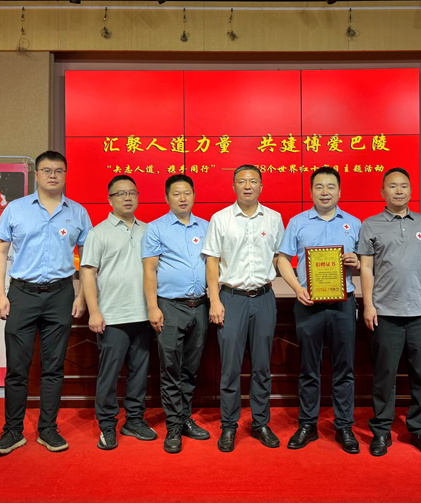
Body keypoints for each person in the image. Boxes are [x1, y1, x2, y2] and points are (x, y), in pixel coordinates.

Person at [0, 151, 92, 455]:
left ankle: (48, 429)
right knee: (17, 368)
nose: (53, 175)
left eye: (58, 170)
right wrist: (0, 294)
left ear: (65, 175)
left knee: (54, 367)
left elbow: (87, 259)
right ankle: (13, 431)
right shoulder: (15, 209)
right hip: (22, 294)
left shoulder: (78, 212)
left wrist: (82, 295)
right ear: (36, 174)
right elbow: (0, 252)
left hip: (61, 294)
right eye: (46, 170)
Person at [277, 166, 362, 454]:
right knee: (308, 368)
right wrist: (296, 287)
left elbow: (367, 263)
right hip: (308, 304)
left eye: (330, 186)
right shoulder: (297, 222)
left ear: (339, 191)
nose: (325, 192)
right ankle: (307, 424)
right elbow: (282, 259)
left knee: (344, 368)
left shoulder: (354, 223)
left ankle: (344, 426)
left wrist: (357, 262)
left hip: (343, 304)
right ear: (311, 191)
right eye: (319, 187)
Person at [359, 167, 421, 457]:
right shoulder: (370, 224)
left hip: (419, 312)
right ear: (382, 192)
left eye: (403, 186)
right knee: (385, 376)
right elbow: (366, 268)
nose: (398, 191)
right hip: (385, 312)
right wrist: (368, 305)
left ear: (410, 191)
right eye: (392, 186)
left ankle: (420, 430)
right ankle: (381, 430)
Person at [202, 164, 284, 453]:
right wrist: (214, 300)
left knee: (262, 367)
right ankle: (229, 425)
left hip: (263, 298)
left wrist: (299, 286)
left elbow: (279, 258)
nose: (247, 186)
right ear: (233, 186)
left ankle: (261, 423)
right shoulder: (220, 218)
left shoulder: (274, 218)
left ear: (261, 186)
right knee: (230, 368)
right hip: (231, 299)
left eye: (253, 181)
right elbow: (212, 262)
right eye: (241, 181)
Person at [80, 175, 157, 451]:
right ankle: (107, 425)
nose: (127, 197)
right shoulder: (98, 233)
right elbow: (88, 272)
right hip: (112, 316)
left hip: (143, 315)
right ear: (110, 199)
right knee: (109, 375)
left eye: (132, 192)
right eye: (120, 193)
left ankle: (134, 421)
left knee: (139, 373)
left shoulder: (149, 230)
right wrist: (94, 311)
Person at [142, 174, 211, 454]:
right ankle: (173, 426)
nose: (183, 198)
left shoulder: (206, 227)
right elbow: (149, 270)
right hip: (170, 306)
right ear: (167, 197)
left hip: (200, 306)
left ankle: (184, 419)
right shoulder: (156, 228)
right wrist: (153, 307)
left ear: (194, 195)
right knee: (170, 368)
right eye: (176, 194)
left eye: (187, 193)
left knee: (190, 369)